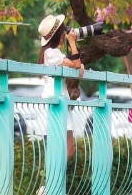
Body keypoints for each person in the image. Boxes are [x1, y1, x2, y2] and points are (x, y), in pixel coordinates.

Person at [37, 14, 84, 158]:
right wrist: (72, 43)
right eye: (63, 31)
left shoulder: (53, 53)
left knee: (68, 150)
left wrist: (80, 64)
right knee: (59, 150)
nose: (65, 34)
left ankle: (53, 179)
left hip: (60, 101)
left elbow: (75, 64)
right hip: (54, 102)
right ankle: (52, 179)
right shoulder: (51, 54)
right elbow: (75, 64)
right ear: (57, 35)